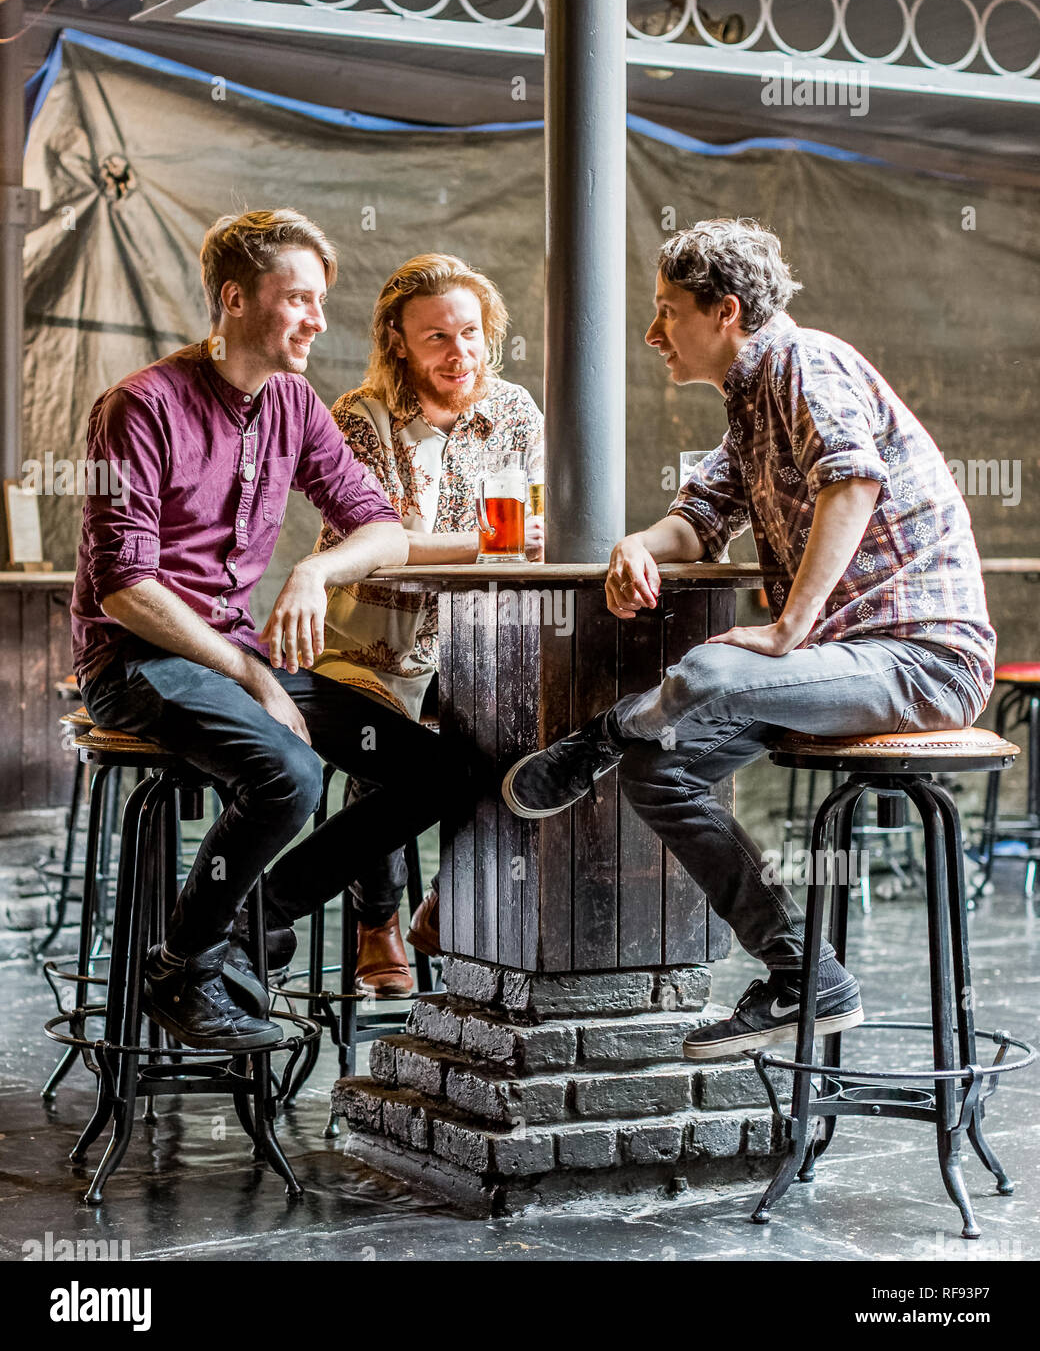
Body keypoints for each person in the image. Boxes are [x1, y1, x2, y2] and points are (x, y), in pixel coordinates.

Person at [502, 217, 995, 1060]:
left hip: (922, 659)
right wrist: (635, 545)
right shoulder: (750, 401)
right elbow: (698, 523)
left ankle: (607, 733)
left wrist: (788, 625)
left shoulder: (808, 361)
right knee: (662, 772)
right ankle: (805, 972)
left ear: (725, 311)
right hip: (837, 665)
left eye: (667, 312)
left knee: (712, 669)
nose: (654, 333)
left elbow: (854, 480)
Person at [72, 208, 471, 1051]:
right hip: (139, 661)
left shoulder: (292, 403)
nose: (318, 321)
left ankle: (256, 922)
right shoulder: (138, 407)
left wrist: (315, 569)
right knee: (288, 771)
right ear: (234, 299)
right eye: (298, 300)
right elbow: (123, 587)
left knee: (437, 771)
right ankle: (183, 968)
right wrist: (253, 675)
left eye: (321, 301)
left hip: (234, 657)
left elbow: (381, 525)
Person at [313, 253, 544, 995]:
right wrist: (489, 542)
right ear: (398, 341)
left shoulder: (514, 411)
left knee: (518, 740)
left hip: (482, 630)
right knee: (382, 752)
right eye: (437, 337)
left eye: (471, 333)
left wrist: (514, 542)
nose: (459, 352)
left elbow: (542, 524)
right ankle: (375, 923)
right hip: (373, 635)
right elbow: (375, 545)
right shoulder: (363, 415)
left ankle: (451, 899)